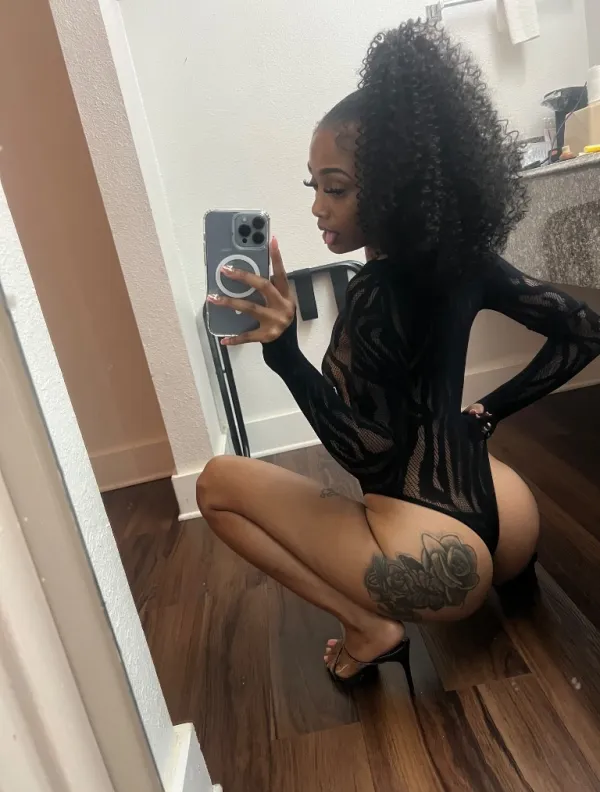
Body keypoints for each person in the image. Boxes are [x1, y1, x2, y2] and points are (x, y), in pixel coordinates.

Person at [199, 20, 600, 689]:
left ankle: (370, 630)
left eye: (335, 188)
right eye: (312, 187)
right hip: (513, 522)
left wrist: (285, 355)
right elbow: (585, 331)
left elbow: (370, 455)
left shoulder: (374, 294)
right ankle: (512, 592)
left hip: (436, 559)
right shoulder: (469, 262)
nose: (318, 209)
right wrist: (491, 410)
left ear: (395, 187)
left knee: (216, 483)